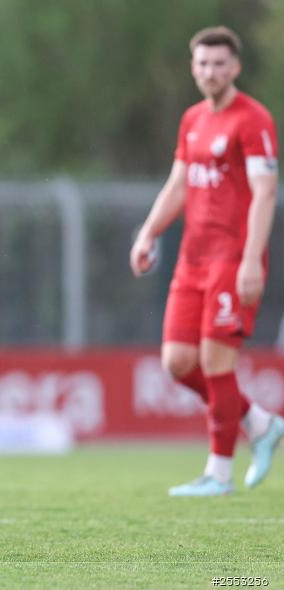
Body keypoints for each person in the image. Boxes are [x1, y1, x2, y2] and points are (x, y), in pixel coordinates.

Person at [130, 26, 283, 496]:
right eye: (203, 63)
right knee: (177, 362)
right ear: (193, 68)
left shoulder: (252, 119)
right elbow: (178, 184)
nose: (211, 71)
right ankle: (260, 422)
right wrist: (148, 232)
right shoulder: (193, 119)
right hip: (191, 260)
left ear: (235, 68)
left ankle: (219, 472)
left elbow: (264, 192)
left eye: (219, 63)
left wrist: (252, 261)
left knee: (217, 361)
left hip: (230, 259)